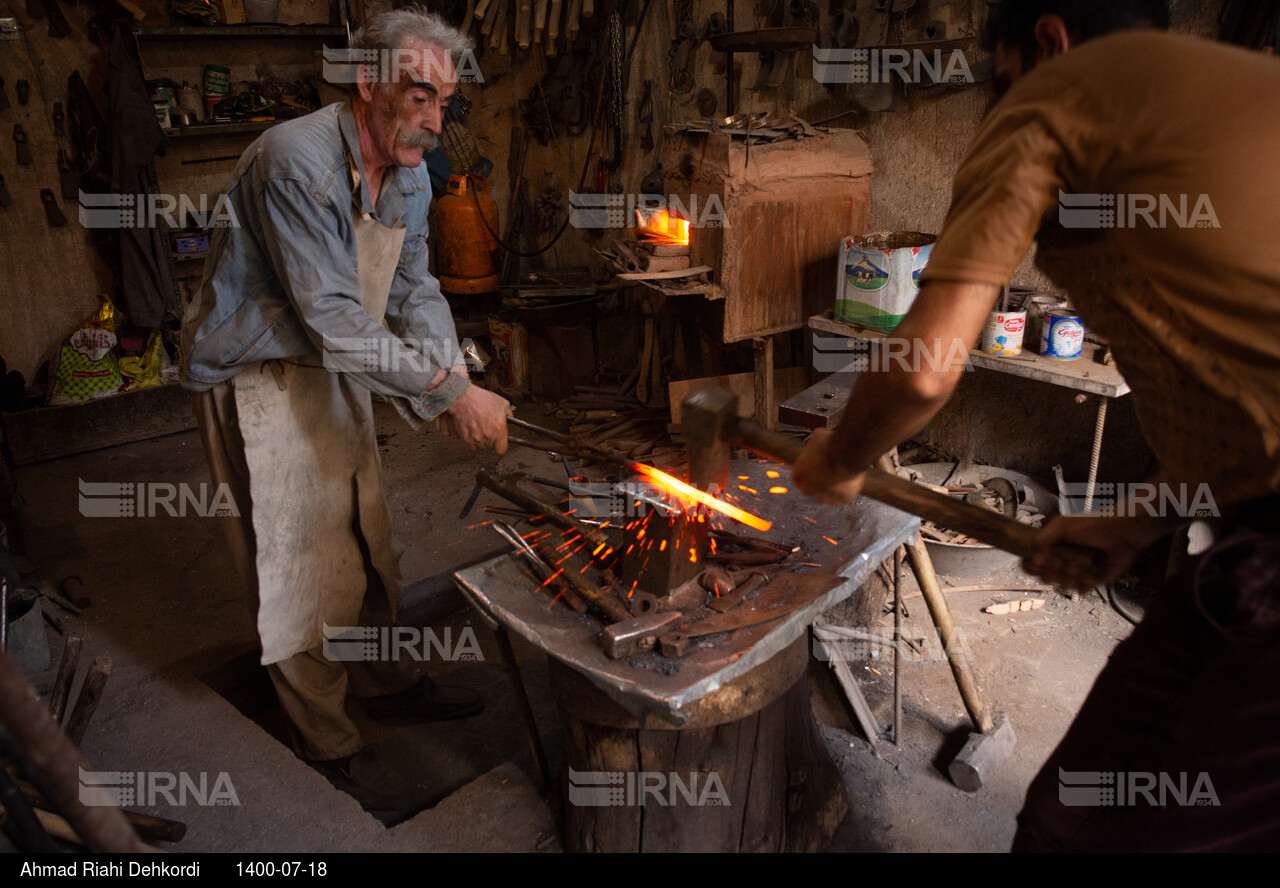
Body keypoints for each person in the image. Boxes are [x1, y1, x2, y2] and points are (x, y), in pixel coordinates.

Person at [792, 0, 1280, 851]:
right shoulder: (1221, 98)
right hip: (1252, 534)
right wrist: (1130, 524)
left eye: (1001, 76)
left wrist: (839, 457)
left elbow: (925, 366)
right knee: (1085, 797)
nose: (1000, 99)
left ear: (1048, 42)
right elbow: (1252, 418)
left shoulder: (1056, 96)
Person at [181, 8, 511, 804]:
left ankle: (388, 682)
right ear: (368, 83)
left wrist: (448, 375)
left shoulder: (409, 171)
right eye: (418, 95)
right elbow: (330, 316)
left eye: (445, 103)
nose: (433, 120)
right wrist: (452, 393)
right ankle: (327, 746)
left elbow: (413, 289)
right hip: (260, 372)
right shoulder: (297, 162)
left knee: (368, 539)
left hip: (339, 364)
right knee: (301, 569)